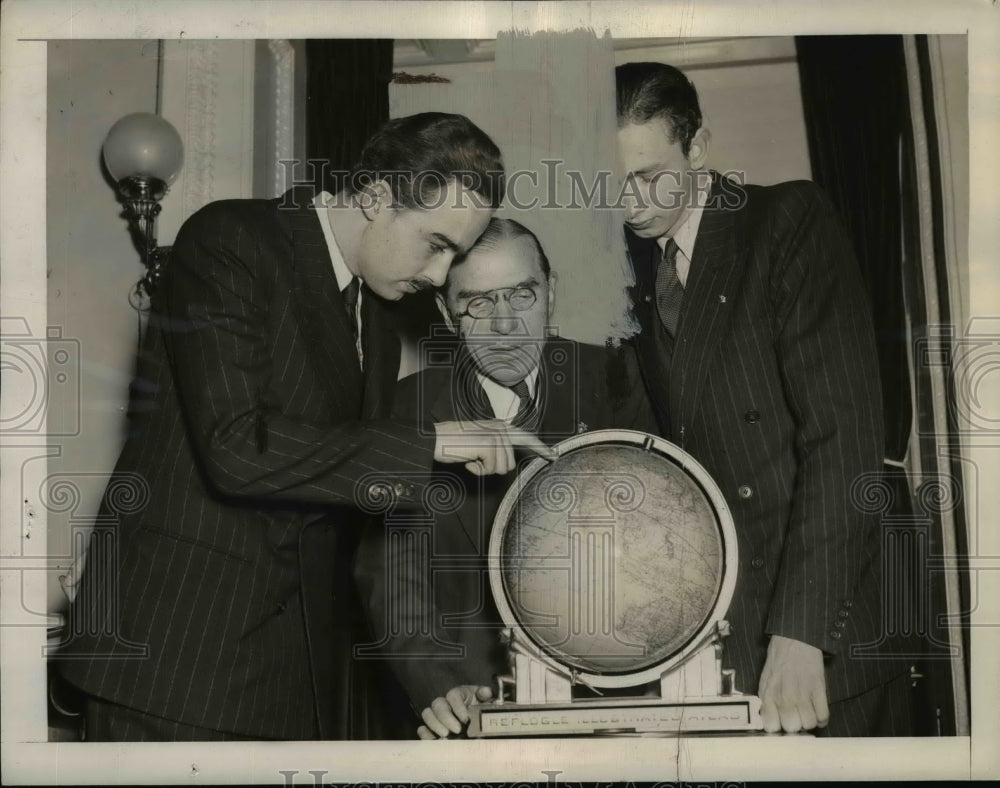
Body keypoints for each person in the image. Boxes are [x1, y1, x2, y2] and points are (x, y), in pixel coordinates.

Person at [56, 113, 556, 741]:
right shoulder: (231, 238)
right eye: (435, 244)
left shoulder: (375, 314)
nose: (437, 276)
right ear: (376, 197)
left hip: (284, 675)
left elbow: (342, 491)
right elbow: (236, 446)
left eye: (454, 254)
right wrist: (437, 441)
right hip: (173, 658)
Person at [613, 62, 910, 736]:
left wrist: (802, 634)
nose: (628, 202)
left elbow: (843, 441)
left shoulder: (784, 222)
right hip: (718, 629)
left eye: (648, 176)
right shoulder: (629, 262)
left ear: (697, 147)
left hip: (824, 629)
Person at [354, 218, 651, 739]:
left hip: (607, 707)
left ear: (551, 292)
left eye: (522, 294)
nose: (506, 325)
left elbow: (655, 549)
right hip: (468, 711)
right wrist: (440, 687)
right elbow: (394, 572)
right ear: (446, 312)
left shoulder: (615, 377)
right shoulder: (405, 409)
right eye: (479, 303)